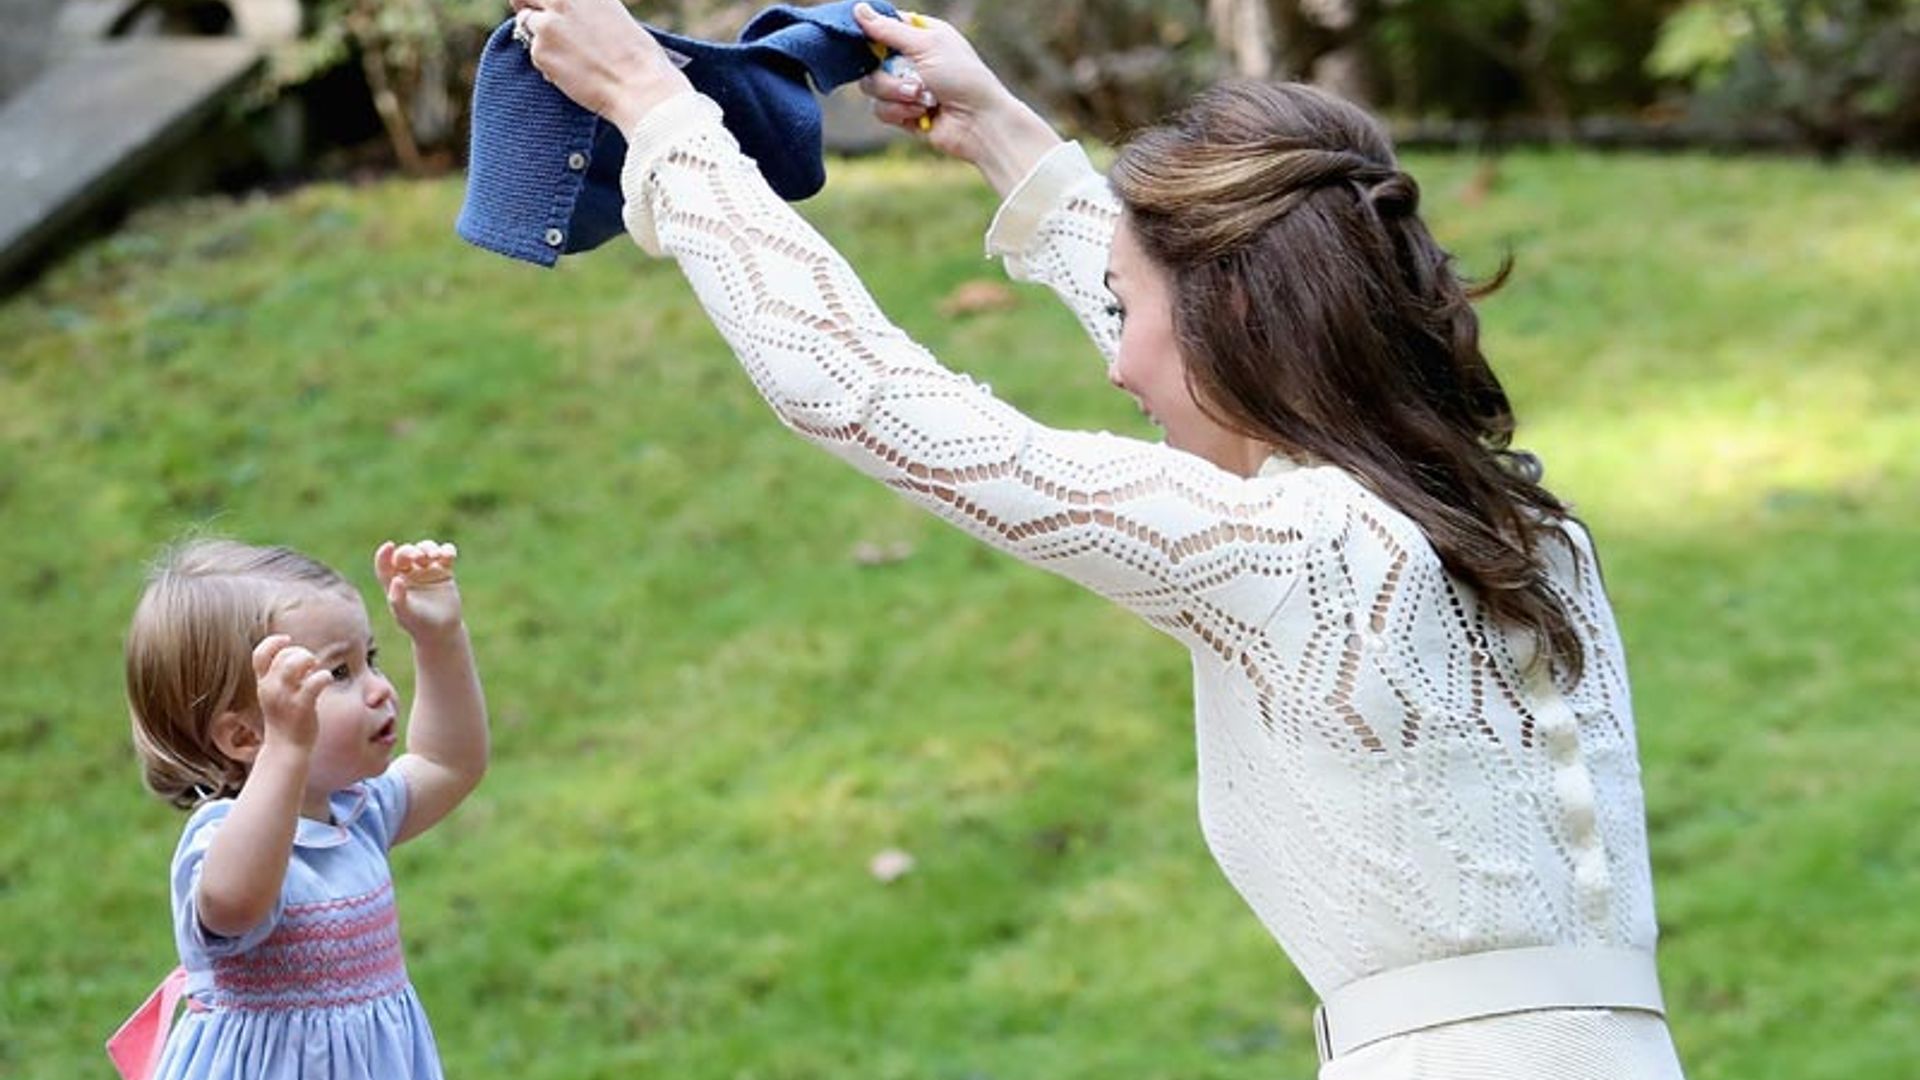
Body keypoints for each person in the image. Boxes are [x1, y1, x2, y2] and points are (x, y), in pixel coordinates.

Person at [510, 1, 1686, 1076]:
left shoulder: (1301, 551)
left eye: (1129, 315)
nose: (1116, 361)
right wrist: (1005, 138)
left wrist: (658, 111)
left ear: (1237, 321)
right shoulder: (1527, 540)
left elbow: (870, 398)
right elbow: (1211, 313)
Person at [111, 537, 489, 1080]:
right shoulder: (222, 838)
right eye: (338, 673)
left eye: (370, 659)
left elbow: (449, 761)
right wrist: (286, 749)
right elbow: (233, 903)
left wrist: (438, 639)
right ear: (245, 735)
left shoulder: (356, 814)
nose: (379, 690)